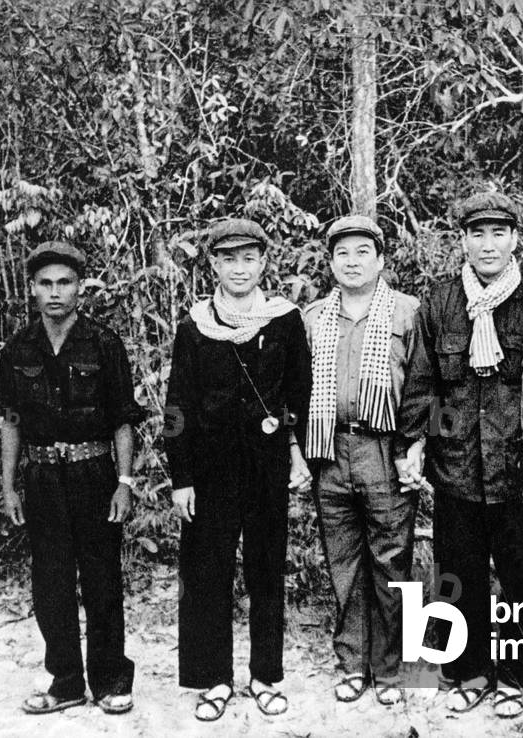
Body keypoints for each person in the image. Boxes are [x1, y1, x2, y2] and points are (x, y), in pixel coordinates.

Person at [395, 192, 523, 718]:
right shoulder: (441, 301)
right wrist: (414, 443)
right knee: (457, 570)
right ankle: (468, 671)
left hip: (516, 469)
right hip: (456, 467)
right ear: (462, 241)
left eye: (498, 233)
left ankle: (515, 675)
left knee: (521, 573)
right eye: (477, 234)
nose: (487, 245)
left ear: (515, 239)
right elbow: (423, 381)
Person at [164, 218, 312, 721]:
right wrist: (181, 477)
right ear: (213, 265)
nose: (239, 268)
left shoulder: (285, 320)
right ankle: (215, 679)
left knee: (266, 570)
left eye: (249, 258)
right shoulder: (194, 326)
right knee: (208, 573)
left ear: (264, 262)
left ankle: (266, 675)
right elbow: (177, 405)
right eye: (228, 259)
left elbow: (300, 394)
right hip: (209, 470)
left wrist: (297, 453)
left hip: (266, 466)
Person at [0, 241, 146, 715]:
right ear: (33, 290)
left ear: (80, 288)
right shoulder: (18, 348)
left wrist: (125, 482)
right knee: (50, 582)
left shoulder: (104, 343)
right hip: (41, 479)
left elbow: (123, 419)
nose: (55, 292)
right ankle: (64, 682)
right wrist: (8, 485)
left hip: (94, 474)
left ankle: (108, 681)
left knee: (102, 579)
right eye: (46, 284)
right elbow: (11, 421)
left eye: (64, 283)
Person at [302, 215, 420, 706]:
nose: (352, 262)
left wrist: (412, 447)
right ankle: (352, 663)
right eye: (342, 254)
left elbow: (421, 387)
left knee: (392, 561)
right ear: (330, 262)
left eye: (362, 253)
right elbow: (296, 390)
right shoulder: (311, 318)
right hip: (329, 450)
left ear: (381, 259)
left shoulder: (408, 312)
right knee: (344, 562)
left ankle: (391, 669)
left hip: (384, 450)